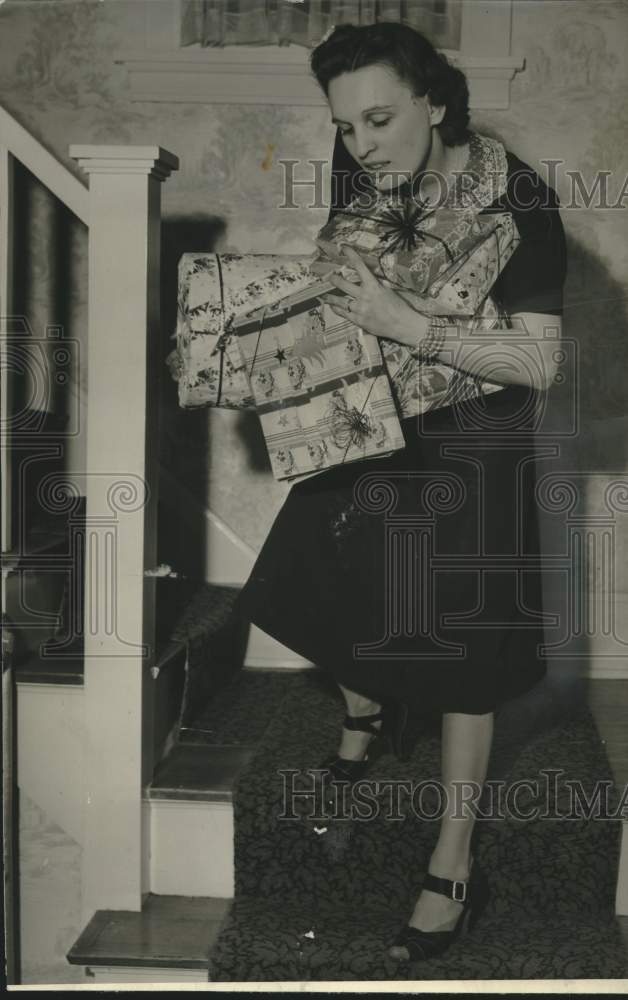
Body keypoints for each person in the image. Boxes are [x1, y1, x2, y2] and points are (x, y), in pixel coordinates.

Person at [236, 22, 567, 963]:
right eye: (345, 128)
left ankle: (452, 864)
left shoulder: (521, 203)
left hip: (479, 437)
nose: (361, 145)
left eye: (379, 119)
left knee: (465, 646)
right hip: (373, 415)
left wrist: (406, 322)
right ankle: (370, 708)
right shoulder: (368, 175)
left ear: (435, 102)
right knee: (303, 578)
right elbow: (338, 289)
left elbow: (537, 360)